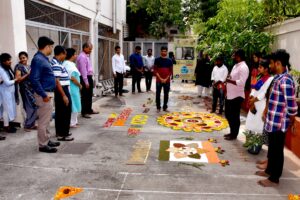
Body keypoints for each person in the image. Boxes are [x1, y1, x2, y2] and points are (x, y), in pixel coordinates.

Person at [256, 49, 298, 187]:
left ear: (278, 63)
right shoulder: (279, 78)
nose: (270, 66)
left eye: (272, 63)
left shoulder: (285, 81)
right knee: (273, 149)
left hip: (279, 123)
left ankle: (274, 178)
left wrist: (292, 121)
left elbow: (291, 105)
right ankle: (269, 171)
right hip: (273, 121)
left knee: (277, 151)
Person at [30, 36, 60, 153]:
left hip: (47, 93)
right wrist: (43, 95)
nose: (52, 48)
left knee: (47, 119)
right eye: (51, 46)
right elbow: (34, 79)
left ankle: (46, 140)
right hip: (44, 94)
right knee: (43, 121)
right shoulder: (38, 59)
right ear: (47, 46)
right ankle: (42, 144)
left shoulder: (43, 58)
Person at [224, 49, 249, 140]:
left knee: (234, 116)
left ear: (239, 56)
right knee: (228, 114)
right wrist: (228, 79)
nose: (233, 57)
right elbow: (232, 77)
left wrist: (229, 80)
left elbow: (242, 82)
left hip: (237, 96)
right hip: (230, 95)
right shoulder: (235, 66)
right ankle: (232, 131)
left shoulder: (244, 67)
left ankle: (234, 134)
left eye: (234, 55)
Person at [51, 46, 74, 141]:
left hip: (63, 88)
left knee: (61, 111)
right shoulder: (56, 64)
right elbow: (57, 81)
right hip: (61, 89)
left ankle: (61, 132)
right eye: (64, 54)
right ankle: (63, 134)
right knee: (65, 111)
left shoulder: (56, 62)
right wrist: (64, 95)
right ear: (60, 54)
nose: (65, 56)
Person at [245, 59, 273, 134]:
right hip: (253, 103)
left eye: (260, 67)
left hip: (261, 104)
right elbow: (254, 89)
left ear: (266, 69)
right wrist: (251, 98)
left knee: (258, 126)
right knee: (250, 124)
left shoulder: (270, 79)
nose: (258, 69)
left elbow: (264, 92)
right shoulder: (259, 77)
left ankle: (257, 145)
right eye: (258, 67)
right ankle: (251, 143)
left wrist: (253, 100)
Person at [15, 51, 37, 132]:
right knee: (29, 107)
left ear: (27, 58)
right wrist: (28, 74)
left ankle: (32, 124)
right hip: (25, 89)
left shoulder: (29, 66)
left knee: (35, 106)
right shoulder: (19, 67)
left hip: (32, 89)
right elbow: (18, 79)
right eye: (21, 58)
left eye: (24, 57)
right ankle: (27, 125)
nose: (22, 59)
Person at [77, 42, 99, 118]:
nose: (90, 51)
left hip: (89, 77)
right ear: (85, 48)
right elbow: (83, 71)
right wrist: (86, 81)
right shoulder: (82, 57)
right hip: (84, 78)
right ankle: (84, 112)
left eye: (91, 49)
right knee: (85, 95)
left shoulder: (86, 56)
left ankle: (89, 109)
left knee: (89, 95)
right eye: (89, 49)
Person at [0, 53, 20, 133]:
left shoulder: (7, 68)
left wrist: (15, 79)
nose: (10, 61)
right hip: (5, 92)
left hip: (9, 91)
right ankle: (6, 126)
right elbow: (7, 82)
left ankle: (7, 124)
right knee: (6, 110)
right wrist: (16, 79)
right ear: (3, 61)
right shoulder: (1, 69)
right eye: (8, 60)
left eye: (10, 59)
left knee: (8, 109)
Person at [63, 48, 82, 128]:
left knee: (74, 104)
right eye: (75, 54)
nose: (76, 55)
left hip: (73, 87)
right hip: (72, 87)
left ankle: (74, 121)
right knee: (74, 104)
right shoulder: (68, 64)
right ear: (72, 55)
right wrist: (79, 85)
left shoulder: (68, 63)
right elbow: (73, 78)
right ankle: (72, 122)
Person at [154, 46, 173, 112]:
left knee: (166, 94)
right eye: (162, 51)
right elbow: (155, 70)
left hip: (167, 81)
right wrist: (161, 78)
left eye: (165, 51)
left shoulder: (170, 60)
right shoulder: (157, 60)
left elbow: (171, 71)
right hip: (159, 80)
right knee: (158, 94)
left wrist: (166, 79)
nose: (163, 52)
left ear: (167, 52)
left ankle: (165, 107)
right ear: (160, 51)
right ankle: (158, 107)